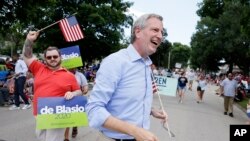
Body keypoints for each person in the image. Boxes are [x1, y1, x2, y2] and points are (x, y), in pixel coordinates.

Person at [85, 13, 167, 141]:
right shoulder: (115, 62)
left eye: (162, 32)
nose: (160, 36)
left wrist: (151, 111)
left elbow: (125, 100)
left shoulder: (146, 64)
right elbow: (94, 110)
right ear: (138, 32)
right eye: (155, 30)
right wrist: (134, 131)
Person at [22, 31, 82, 141]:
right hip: (39, 113)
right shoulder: (38, 68)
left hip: (57, 114)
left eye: (55, 56)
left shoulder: (69, 75)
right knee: (41, 138)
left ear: (60, 57)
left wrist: (72, 93)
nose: (52, 59)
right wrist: (29, 40)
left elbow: (79, 91)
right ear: (45, 59)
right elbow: (27, 55)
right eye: (49, 57)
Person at [64, 68, 89, 141]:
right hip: (65, 99)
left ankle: (75, 126)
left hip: (77, 98)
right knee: (67, 118)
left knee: (75, 117)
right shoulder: (63, 74)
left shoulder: (80, 75)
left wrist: (85, 90)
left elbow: (85, 85)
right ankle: (66, 138)